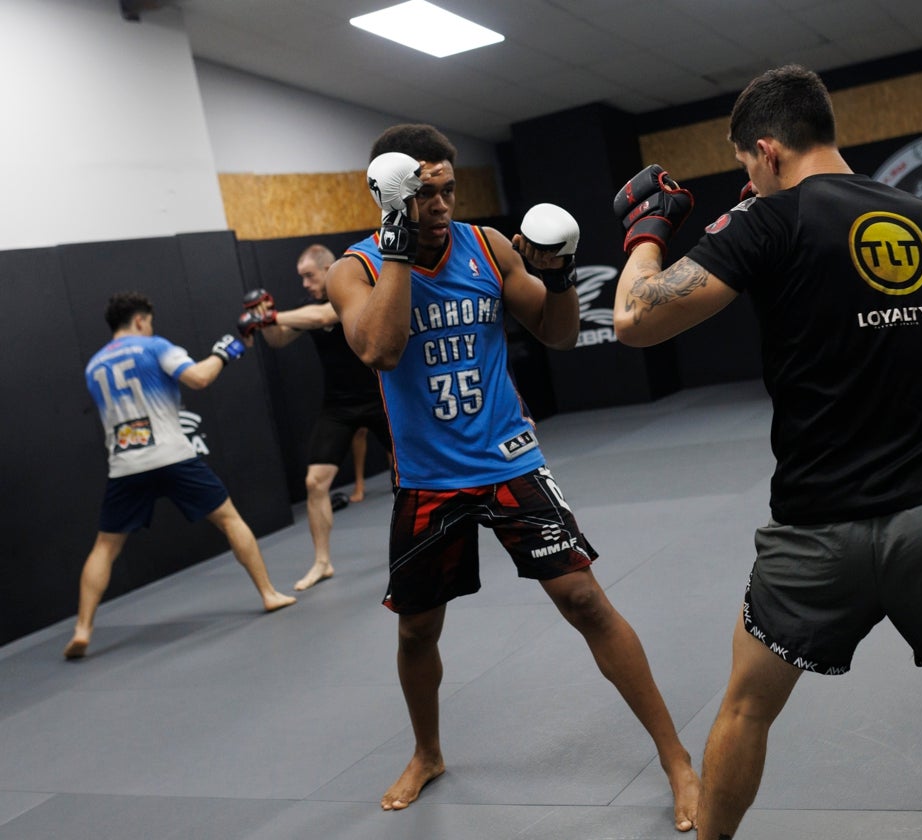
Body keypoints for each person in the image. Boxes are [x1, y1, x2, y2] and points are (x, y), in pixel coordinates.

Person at [611, 66, 922, 840]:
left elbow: (635, 320)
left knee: (745, 707)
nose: (749, 180)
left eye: (748, 165)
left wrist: (649, 232)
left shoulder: (765, 226)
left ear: (770, 151)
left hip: (815, 532)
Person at [323, 124, 699, 828]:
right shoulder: (358, 269)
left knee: (585, 599)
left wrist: (556, 274)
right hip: (428, 480)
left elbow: (557, 334)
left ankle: (676, 757)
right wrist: (399, 244)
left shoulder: (489, 247)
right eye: (423, 193)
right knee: (415, 633)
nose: (440, 204)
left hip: (508, 459)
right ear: (392, 194)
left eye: (447, 190)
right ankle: (428, 751)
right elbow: (378, 347)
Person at [65, 292, 295, 659]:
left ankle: (82, 629)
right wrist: (229, 348)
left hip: (125, 464)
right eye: (150, 321)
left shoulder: (93, 365)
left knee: (105, 547)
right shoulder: (154, 346)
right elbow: (199, 379)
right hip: (171, 455)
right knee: (230, 519)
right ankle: (268, 593)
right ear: (140, 321)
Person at [241, 244, 393, 590]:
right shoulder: (306, 311)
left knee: (408, 472)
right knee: (315, 483)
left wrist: (268, 317)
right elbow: (279, 339)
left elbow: (324, 317)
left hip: (379, 397)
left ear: (329, 270)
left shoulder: (353, 295)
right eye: (302, 278)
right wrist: (264, 319)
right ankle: (322, 562)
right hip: (339, 406)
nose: (306, 284)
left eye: (310, 276)